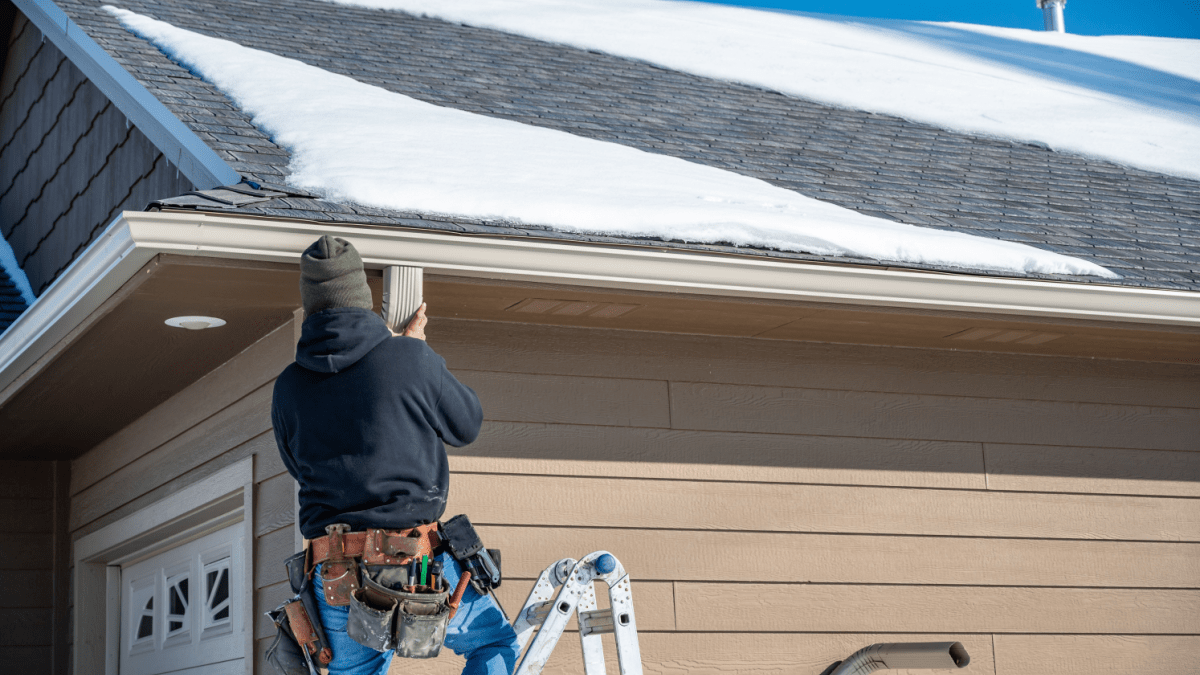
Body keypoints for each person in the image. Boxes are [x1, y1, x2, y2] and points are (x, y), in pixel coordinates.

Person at [271, 235, 520, 675]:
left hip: (335, 572)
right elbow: (467, 425)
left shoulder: (289, 387)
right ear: (361, 299)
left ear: (310, 306)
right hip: (416, 561)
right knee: (492, 644)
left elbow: (297, 468)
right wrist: (414, 355)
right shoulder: (409, 358)